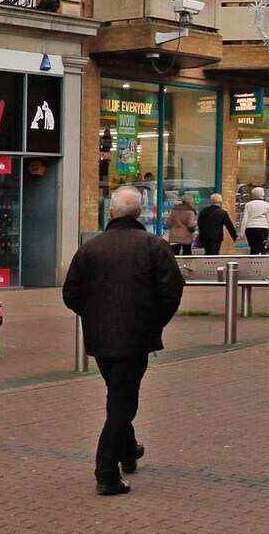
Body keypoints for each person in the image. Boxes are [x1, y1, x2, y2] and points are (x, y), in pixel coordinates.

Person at [62, 184, 185, 496]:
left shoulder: (90, 248)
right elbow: (172, 291)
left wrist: (93, 315)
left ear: (112, 212)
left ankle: (128, 451)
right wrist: (154, 321)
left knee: (118, 395)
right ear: (139, 213)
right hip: (135, 337)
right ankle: (106, 472)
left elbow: (71, 293)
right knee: (122, 403)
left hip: (100, 338)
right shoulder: (154, 246)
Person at [240, 186, 269, 255]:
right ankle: (259, 259)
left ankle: (252, 259)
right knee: (261, 247)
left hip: (250, 228)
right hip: (263, 228)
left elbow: (244, 219)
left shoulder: (248, 205)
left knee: (253, 248)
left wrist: (242, 233)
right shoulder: (267, 205)